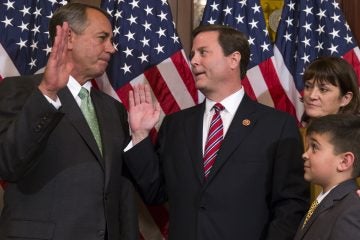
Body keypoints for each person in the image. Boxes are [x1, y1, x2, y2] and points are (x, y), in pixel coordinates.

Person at [125, 24, 309, 240]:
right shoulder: (176, 125)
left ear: (234, 59)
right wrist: (139, 135)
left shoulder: (276, 126)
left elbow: (291, 204)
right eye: (193, 54)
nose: (193, 61)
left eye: (203, 52)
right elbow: (155, 192)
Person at [0, 3, 138, 240]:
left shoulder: (113, 108)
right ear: (69, 37)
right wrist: (47, 93)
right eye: (103, 38)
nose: (112, 48)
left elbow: (120, 188)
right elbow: (8, 163)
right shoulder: (20, 91)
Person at [300, 56, 360, 199]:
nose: (312, 95)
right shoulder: (293, 136)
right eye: (308, 86)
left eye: (323, 89)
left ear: (345, 98)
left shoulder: (356, 139)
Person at [293, 114, 360, 240]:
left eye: (314, 147)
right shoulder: (324, 202)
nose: (305, 155)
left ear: (344, 161)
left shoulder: (352, 210)